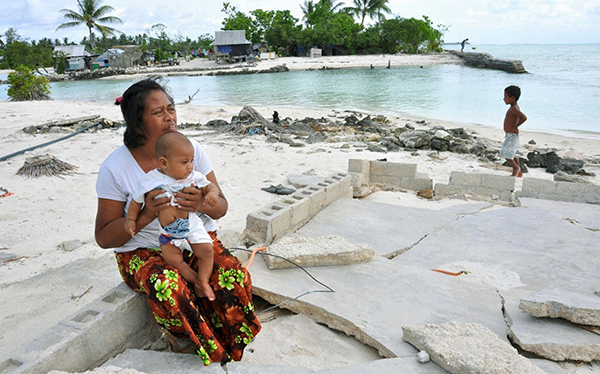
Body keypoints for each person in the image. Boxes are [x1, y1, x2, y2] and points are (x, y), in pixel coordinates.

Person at [95, 77, 260, 365]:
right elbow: (104, 237)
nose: (170, 117)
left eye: (171, 109)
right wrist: (145, 215)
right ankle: (202, 346)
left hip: (192, 239)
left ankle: (231, 344)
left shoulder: (189, 150)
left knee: (231, 275)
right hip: (142, 252)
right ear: (137, 122)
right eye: (158, 112)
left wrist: (202, 204)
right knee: (168, 286)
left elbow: (221, 208)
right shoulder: (115, 167)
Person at [125, 131, 220, 301]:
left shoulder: (192, 176)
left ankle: (204, 280)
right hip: (167, 232)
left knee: (206, 250)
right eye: (184, 162)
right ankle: (196, 280)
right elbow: (136, 200)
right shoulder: (150, 180)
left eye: (191, 160)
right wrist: (131, 220)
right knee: (173, 260)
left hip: (190, 224)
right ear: (164, 163)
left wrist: (211, 194)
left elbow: (209, 186)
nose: (190, 166)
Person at [500, 85, 528, 177]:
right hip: (510, 135)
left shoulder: (514, 108)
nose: (504, 99)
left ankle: (515, 168)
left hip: (512, 135)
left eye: (505, 97)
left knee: (505, 152)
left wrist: (515, 126)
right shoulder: (514, 107)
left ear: (512, 98)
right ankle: (519, 172)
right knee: (513, 153)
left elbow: (523, 117)